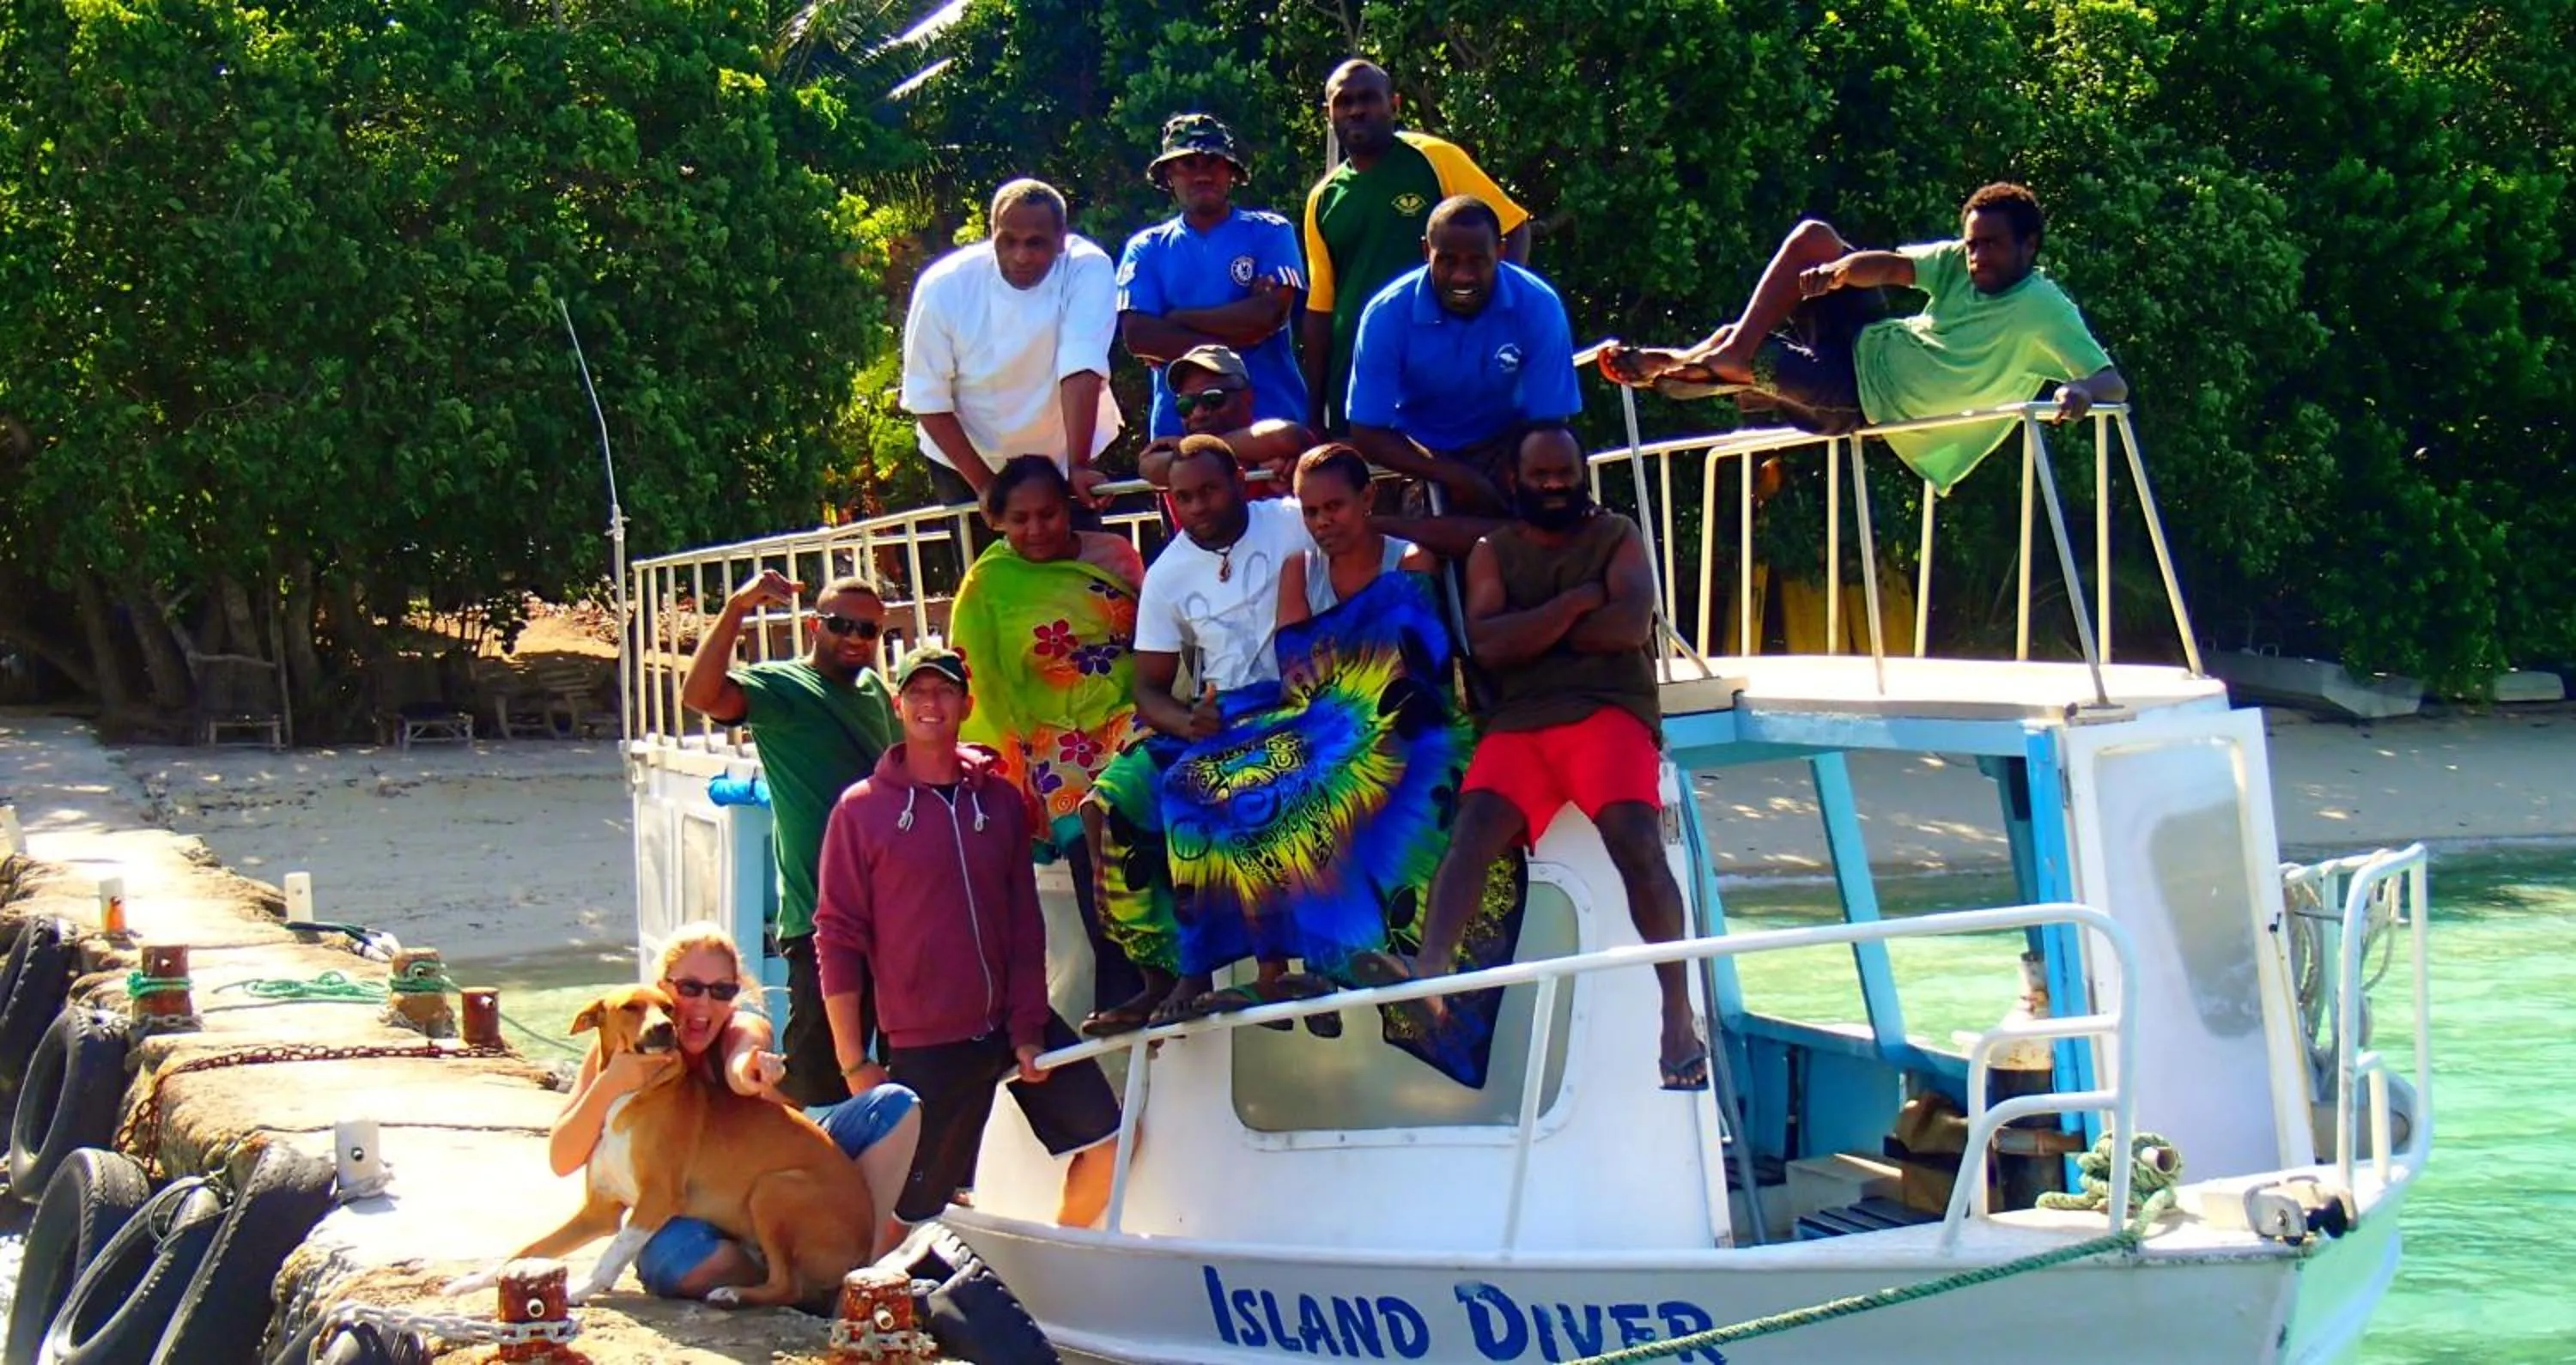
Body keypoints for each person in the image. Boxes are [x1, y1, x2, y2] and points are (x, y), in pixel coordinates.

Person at [1350, 428, 1708, 1092]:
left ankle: (1677, 1016)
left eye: (1564, 473)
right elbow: (1488, 644)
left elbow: (1626, 628)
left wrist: (1533, 630)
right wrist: (1577, 602)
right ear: (1515, 482)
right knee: (1470, 835)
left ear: (1581, 474)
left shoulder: (1618, 535)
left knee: (1636, 843)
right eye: (1540, 475)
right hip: (1519, 724)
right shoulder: (1493, 550)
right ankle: (1430, 976)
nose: (1553, 485)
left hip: (1608, 710)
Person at [812, 648, 1125, 1228]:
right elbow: (836, 938)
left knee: (1110, 1145)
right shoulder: (859, 812)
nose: (932, 704)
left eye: (945, 692)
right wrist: (853, 1059)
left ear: (966, 703)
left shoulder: (1001, 802)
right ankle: (866, 1307)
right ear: (898, 704)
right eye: (919, 693)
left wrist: (1028, 1029)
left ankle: (1050, 1270)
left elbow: (1024, 925)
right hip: (926, 1042)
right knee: (907, 1211)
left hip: (1011, 1023)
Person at [1598, 182, 2128, 494]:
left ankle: (1698, 362)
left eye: (1990, 246)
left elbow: (2112, 382)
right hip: (1867, 339)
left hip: (1858, 399)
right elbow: (1894, 268)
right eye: (1971, 244)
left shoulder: (2044, 308)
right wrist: (1844, 271)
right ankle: (1716, 358)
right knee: (1815, 239)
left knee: (1756, 355)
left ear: (2028, 246)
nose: (1976, 257)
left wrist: (2079, 392)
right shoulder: (1957, 266)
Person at [1078, 435, 1314, 1032]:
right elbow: (1150, 689)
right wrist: (1188, 721)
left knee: (1200, 786)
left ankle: (1247, 972)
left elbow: (1317, 456)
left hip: (1294, 700)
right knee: (1107, 803)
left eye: (1210, 489)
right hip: (1214, 714)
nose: (1199, 506)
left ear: (1238, 479)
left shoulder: (1289, 520)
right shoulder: (1169, 572)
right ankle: (1162, 974)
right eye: (1184, 497)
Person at [550, 922, 923, 1297]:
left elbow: (741, 1064)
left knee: (895, 1103)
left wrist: (753, 1072)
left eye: (722, 991)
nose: (704, 1004)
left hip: (770, 1182)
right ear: (662, 987)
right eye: (689, 988)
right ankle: (786, 1279)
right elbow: (563, 1159)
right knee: (676, 1258)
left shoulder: (741, 1027)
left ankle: (853, 1272)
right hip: (708, 1210)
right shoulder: (622, 1047)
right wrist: (611, 1082)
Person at [678, 572, 894, 1110]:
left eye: (867, 630)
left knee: (904, 1061)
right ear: (816, 625)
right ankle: (762, 1166)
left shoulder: (875, 692)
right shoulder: (783, 687)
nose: (854, 637)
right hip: (822, 916)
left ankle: (907, 1181)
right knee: (810, 1072)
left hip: (895, 915)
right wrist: (736, 608)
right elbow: (700, 695)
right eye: (841, 624)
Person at [948, 456, 1150, 1019]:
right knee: (1085, 841)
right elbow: (975, 674)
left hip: (1127, 713)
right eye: (1020, 519)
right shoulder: (988, 583)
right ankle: (1120, 982)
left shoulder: (1115, 558)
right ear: (1000, 522)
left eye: (1048, 514)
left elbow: (1156, 631)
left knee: (1139, 816)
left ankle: (1172, 969)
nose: (1036, 530)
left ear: (1069, 509)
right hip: (1051, 739)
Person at [1301, 60, 1530, 433]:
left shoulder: (1433, 158)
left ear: (1394, 104)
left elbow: (1514, 228)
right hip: (1361, 383)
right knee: (1375, 489)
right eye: (1344, 102)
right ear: (1329, 113)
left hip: (1441, 370)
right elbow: (1320, 312)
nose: (1357, 110)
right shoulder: (1323, 198)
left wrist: (1492, 314)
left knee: (1452, 478)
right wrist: (1314, 415)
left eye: (1369, 99)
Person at [1346, 195, 1580, 550]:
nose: (1463, 275)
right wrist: (1456, 477)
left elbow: (1549, 423)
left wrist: (1514, 478)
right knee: (1417, 559)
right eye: (1448, 261)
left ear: (1501, 251)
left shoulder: (1538, 305)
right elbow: (1367, 431)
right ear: (1426, 251)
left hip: (1509, 450)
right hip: (1418, 456)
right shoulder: (1385, 314)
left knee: (1558, 533)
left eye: (1477, 261)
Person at [901, 178, 1122, 511]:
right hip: (967, 460)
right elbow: (927, 397)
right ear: (991, 234)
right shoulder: (944, 285)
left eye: (1036, 243)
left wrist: (1078, 466)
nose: (1021, 256)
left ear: (1061, 240)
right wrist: (986, 487)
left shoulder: (1087, 268)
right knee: (982, 564)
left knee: (1073, 560)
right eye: (1008, 241)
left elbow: (1081, 365)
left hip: (1065, 455)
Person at [1116, 113, 1310, 440]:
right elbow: (1139, 336)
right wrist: (1242, 331)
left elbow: (1268, 315)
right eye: (1187, 164)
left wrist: (1177, 318)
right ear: (1167, 175)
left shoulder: (1270, 232)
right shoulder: (1146, 249)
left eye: (1213, 162)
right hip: (1179, 438)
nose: (1202, 174)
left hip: (1272, 430)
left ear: (1232, 172)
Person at [1275, 443, 1433, 628]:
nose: (1321, 521)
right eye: (1310, 512)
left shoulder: (1411, 560)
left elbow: (1420, 649)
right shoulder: (1299, 570)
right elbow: (1292, 655)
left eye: (1333, 506)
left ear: (1367, 497)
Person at [1136, 345, 1315, 494]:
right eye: (1186, 404)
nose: (1198, 413)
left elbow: (1289, 437)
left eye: (1213, 398)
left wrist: (1193, 449)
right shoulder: (1179, 454)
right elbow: (1148, 466)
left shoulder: (1270, 438)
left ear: (1247, 397)